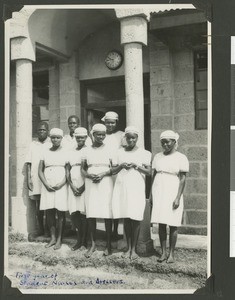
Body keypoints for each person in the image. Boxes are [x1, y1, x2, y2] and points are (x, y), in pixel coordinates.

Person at [112, 126, 152, 260]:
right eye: (128, 137)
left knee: (135, 217)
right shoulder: (119, 152)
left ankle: (134, 250)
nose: (130, 140)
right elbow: (113, 171)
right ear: (125, 138)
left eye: (133, 138)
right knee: (126, 217)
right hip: (122, 186)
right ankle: (128, 248)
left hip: (136, 187)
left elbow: (149, 172)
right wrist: (122, 166)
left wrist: (136, 166)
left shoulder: (144, 153)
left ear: (137, 139)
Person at [150, 130, 189, 263]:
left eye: (168, 142)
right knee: (161, 223)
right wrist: (151, 196)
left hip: (172, 190)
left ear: (174, 142)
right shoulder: (157, 157)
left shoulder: (181, 157)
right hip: (158, 190)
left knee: (172, 224)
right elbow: (154, 175)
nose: (165, 144)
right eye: (162, 142)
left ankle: (171, 254)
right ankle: (163, 252)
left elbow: (183, 179)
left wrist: (178, 197)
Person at [81, 123, 115, 257]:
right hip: (91, 182)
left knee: (107, 212)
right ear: (92, 134)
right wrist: (89, 175)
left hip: (105, 181)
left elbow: (114, 168)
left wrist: (102, 174)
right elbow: (82, 169)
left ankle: (108, 244)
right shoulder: (86, 150)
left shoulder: (110, 149)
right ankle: (93, 244)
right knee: (91, 212)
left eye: (103, 134)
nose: (101, 137)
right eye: (98, 134)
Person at [38, 128, 68, 250]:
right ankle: (53, 238)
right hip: (48, 184)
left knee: (60, 212)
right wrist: (45, 184)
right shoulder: (45, 151)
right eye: (53, 137)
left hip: (60, 184)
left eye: (58, 137)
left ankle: (60, 239)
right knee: (49, 211)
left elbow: (68, 171)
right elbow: (40, 170)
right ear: (50, 138)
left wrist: (62, 184)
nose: (55, 140)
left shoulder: (66, 152)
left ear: (61, 139)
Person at [25, 121, 51, 236]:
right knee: (39, 206)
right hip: (36, 179)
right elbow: (28, 163)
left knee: (49, 206)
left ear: (48, 131)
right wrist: (29, 179)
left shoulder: (51, 143)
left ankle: (50, 230)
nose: (41, 132)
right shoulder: (33, 145)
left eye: (44, 130)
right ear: (37, 132)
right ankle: (41, 229)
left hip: (49, 178)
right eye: (39, 130)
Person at [102, 111, 124, 240]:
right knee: (106, 201)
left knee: (115, 200)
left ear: (116, 123)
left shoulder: (121, 135)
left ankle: (116, 230)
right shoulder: (101, 135)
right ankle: (108, 232)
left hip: (116, 170)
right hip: (104, 171)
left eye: (112, 122)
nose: (110, 125)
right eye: (107, 122)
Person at [66, 127, 88, 251]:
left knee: (84, 213)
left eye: (82, 137)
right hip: (73, 184)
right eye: (78, 137)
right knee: (74, 212)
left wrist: (83, 187)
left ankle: (84, 241)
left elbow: (88, 170)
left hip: (84, 183)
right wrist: (72, 185)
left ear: (86, 138)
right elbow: (67, 169)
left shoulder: (89, 151)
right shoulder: (71, 151)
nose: (80, 139)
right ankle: (79, 239)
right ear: (75, 138)